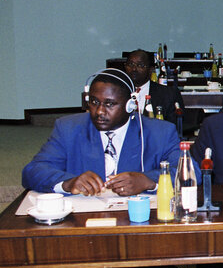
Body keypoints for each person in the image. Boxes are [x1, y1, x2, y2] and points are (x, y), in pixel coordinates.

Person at [22, 69, 184, 196]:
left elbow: (189, 172)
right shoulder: (68, 128)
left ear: (130, 106)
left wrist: (149, 181)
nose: (99, 111)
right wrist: (68, 183)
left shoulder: (160, 132)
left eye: (110, 104)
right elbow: (33, 171)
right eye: (94, 102)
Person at [124, 49, 184, 125]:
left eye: (140, 65)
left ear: (151, 69)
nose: (134, 69)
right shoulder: (118, 93)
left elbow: (173, 128)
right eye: (130, 64)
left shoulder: (168, 94)